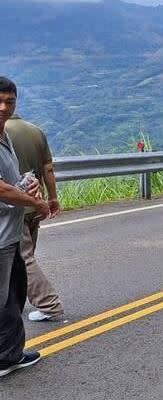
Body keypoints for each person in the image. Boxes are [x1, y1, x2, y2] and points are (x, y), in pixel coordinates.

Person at [0, 77, 50, 377]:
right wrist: (39, 205)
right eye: (0, 101)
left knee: (14, 293)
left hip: (10, 234)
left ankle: (10, 353)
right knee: (4, 298)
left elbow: (10, 183)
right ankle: (5, 357)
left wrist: (26, 184)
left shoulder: (5, 138)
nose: (4, 107)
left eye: (10, 101)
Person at [6, 114, 64, 321]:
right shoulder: (35, 131)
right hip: (35, 205)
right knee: (20, 260)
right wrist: (52, 198)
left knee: (23, 259)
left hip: (15, 206)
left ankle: (50, 305)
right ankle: (14, 303)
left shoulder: (4, 133)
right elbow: (48, 168)